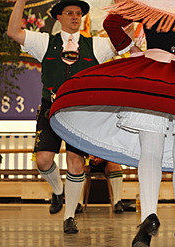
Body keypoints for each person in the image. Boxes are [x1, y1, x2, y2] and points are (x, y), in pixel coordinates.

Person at [49, 0, 175, 245]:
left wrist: (132, 49)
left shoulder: (147, 2)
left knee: (150, 150)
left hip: (153, 71)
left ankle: (148, 218)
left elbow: (111, 22)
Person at [7, 0, 115, 234]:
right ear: (59, 17)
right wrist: (20, 2)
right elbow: (13, 31)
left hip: (79, 112)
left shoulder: (96, 45)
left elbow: (124, 41)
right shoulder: (44, 42)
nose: (75, 17)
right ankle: (58, 191)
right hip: (50, 108)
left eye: (79, 14)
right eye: (70, 13)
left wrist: (126, 10)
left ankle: (69, 216)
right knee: (44, 160)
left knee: (76, 163)